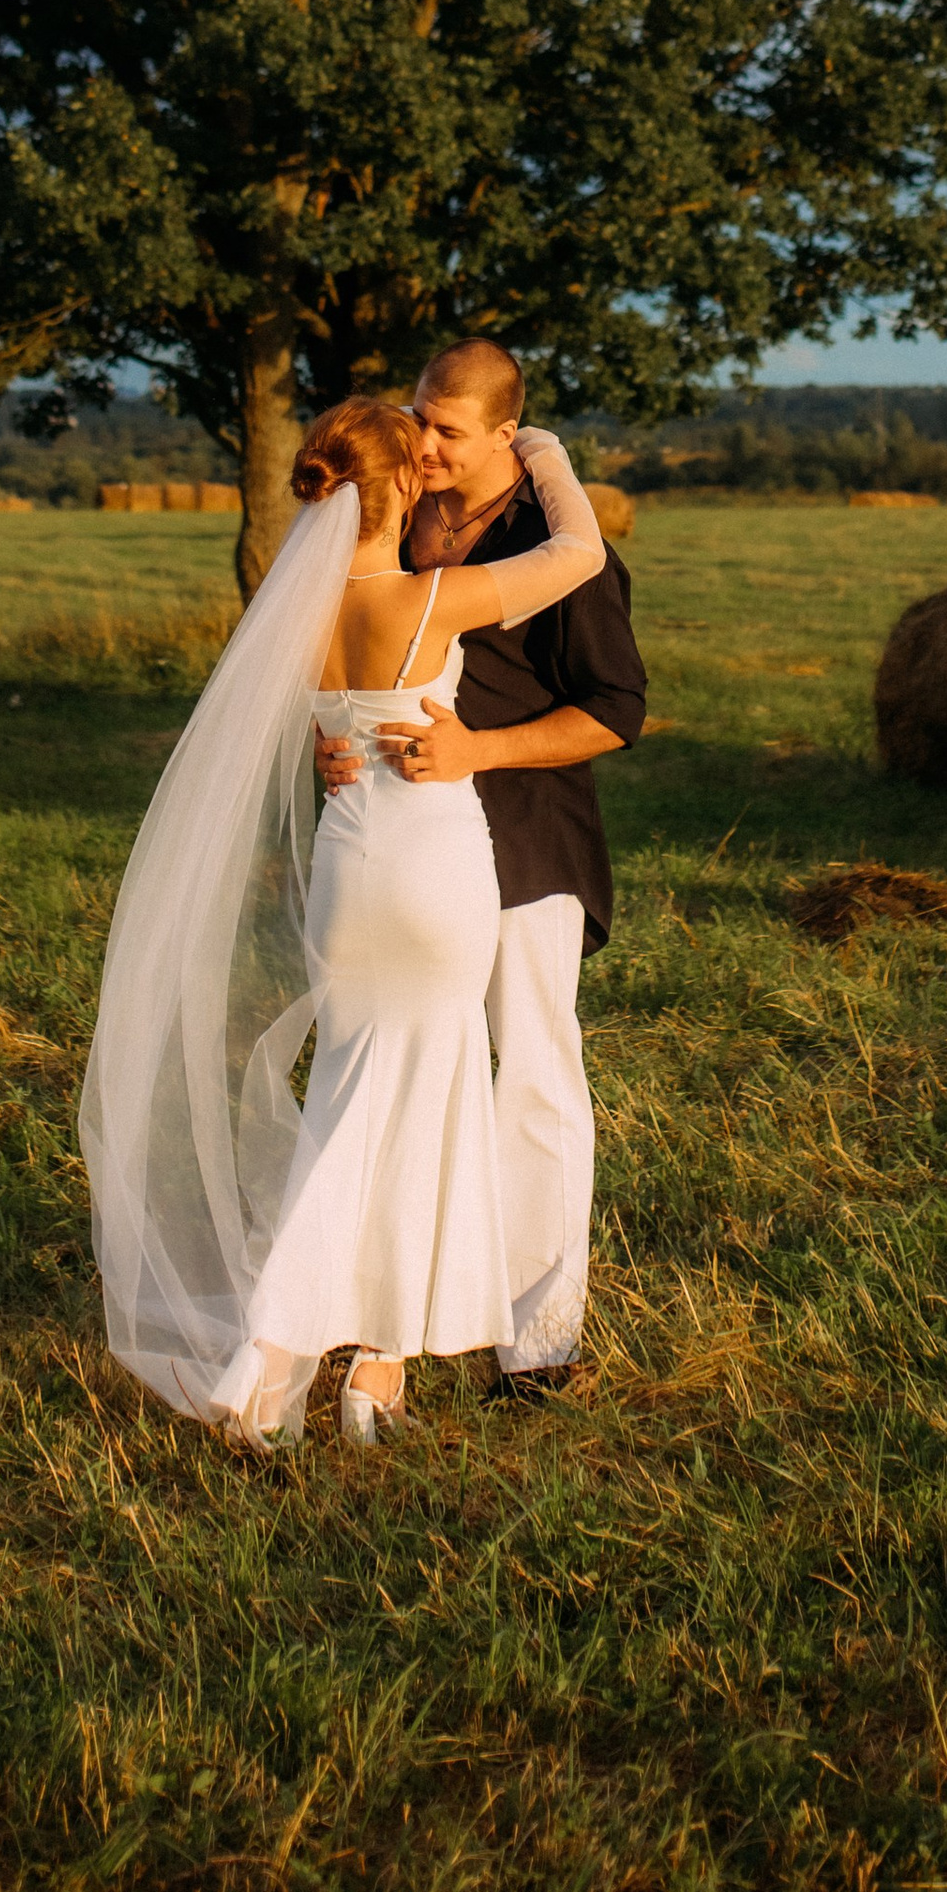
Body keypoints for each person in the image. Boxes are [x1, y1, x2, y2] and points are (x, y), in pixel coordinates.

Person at [80, 395, 607, 1449]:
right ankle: (304, 1358)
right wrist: (540, 449)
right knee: (429, 1106)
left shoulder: (298, 610)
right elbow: (581, 553)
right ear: (401, 484)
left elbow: (286, 733)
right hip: (431, 869)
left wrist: (336, 743)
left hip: (346, 873)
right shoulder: (434, 601)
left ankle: (347, 1370)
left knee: (349, 1106)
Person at [315, 339, 646, 1398]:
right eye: (420, 419)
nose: (426, 441)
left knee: (534, 1080)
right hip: (400, 848)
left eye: (449, 428)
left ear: (508, 433)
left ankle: (537, 1343)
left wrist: (481, 750)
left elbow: (612, 711)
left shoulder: (558, 544)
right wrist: (331, 740)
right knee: (401, 1077)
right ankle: (384, 1318)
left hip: (526, 842)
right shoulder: (396, 518)